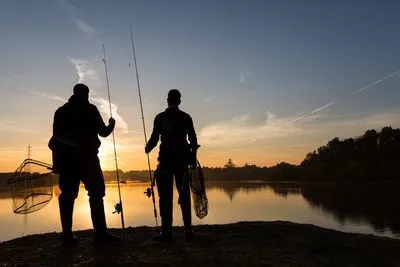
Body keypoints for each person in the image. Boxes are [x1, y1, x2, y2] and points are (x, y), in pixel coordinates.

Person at [49, 83, 119, 245]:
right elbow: (103, 132)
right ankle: (100, 234)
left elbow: (57, 135)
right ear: (86, 94)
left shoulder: (61, 111)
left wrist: (72, 145)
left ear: (74, 93)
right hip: (88, 160)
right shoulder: (90, 110)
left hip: (68, 161)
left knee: (68, 195)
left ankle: (68, 236)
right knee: (96, 193)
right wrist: (112, 125)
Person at [145, 89, 199, 241]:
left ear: (167, 100)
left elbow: (154, 139)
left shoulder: (160, 117)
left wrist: (148, 148)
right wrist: (193, 159)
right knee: (184, 196)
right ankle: (188, 231)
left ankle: (166, 233)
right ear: (179, 101)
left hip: (166, 162)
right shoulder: (186, 117)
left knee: (165, 198)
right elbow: (193, 140)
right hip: (182, 161)